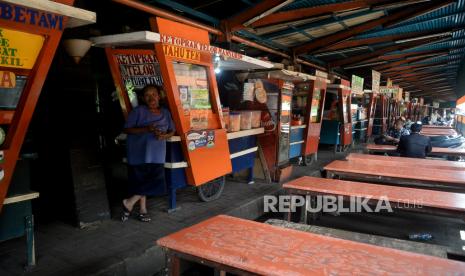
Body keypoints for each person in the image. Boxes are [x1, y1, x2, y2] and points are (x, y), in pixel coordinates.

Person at [121, 85, 175, 222]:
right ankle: (143, 210)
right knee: (141, 181)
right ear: (143, 98)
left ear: (159, 96)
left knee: (155, 181)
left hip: (157, 153)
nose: (151, 98)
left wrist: (164, 136)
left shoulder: (165, 113)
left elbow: (172, 130)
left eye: (154, 94)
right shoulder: (138, 111)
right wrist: (146, 129)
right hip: (138, 152)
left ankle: (129, 203)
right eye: (147, 95)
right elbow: (127, 129)